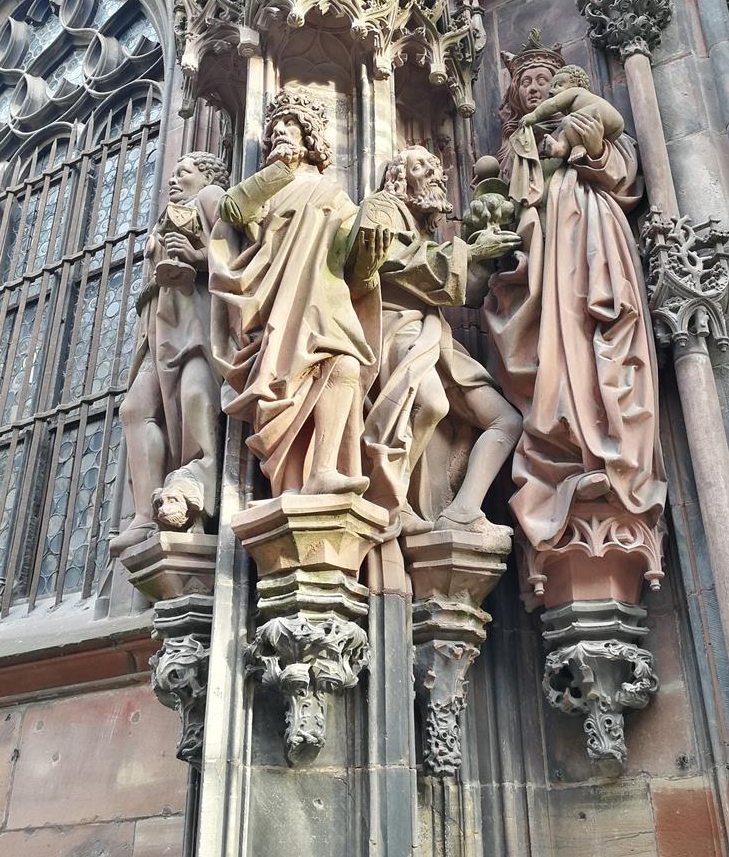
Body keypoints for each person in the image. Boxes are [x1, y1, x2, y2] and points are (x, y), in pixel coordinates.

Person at [479, 33, 667, 594]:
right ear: (514, 95)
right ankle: (563, 459)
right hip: (539, 258)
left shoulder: (590, 116)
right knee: (551, 360)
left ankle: (610, 457)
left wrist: (588, 149)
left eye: (545, 80)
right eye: (526, 83)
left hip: (592, 235)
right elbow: (501, 204)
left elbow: (623, 170)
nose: (537, 88)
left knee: (597, 335)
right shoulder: (514, 147)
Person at [209, 88, 388, 497]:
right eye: (275, 127)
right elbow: (232, 210)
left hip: (324, 297)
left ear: (310, 136)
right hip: (274, 304)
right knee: (285, 384)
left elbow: (351, 261)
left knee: (345, 366)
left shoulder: (333, 194)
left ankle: (323, 470)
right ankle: (290, 481)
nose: (281, 131)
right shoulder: (266, 188)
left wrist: (371, 257)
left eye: (290, 125)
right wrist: (279, 170)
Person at [360, 146, 522, 538]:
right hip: (394, 325)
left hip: (435, 332)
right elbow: (394, 263)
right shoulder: (380, 207)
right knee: (432, 404)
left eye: (436, 168)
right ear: (399, 178)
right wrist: (470, 251)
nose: (433, 174)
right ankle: (388, 500)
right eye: (421, 167)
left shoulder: (426, 233)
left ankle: (463, 510)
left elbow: (463, 293)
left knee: (506, 419)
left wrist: (485, 256)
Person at [111, 152, 229, 557]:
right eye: (172, 173)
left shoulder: (212, 197)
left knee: (196, 396)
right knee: (133, 410)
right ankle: (145, 515)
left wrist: (197, 257)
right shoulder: (168, 218)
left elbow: (243, 254)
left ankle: (197, 488)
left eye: (184, 172)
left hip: (199, 323)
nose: (173, 180)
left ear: (208, 176)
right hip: (163, 326)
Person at [519, 64, 625, 165]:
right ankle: (560, 149)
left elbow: (553, 104)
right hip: (613, 131)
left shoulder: (576, 91)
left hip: (602, 113)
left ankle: (578, 146)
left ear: (578, 83)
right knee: (566, 129)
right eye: (525, 84)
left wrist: (534, 116)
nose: (551, 91)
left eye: (559, 85)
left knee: (568, 121)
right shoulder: (572, 121)